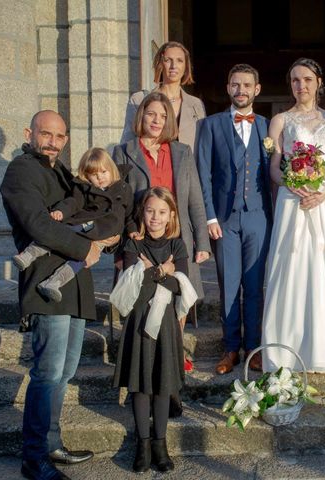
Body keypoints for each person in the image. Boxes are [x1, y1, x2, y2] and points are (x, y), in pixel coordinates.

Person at [0, 111, 119, 480]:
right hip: (44, 281)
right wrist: (85, 248)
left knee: (64, 371)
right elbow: (35, 224)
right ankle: (33, 457)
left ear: (66, 139)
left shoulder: (64, 172)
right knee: (48, 372)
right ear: (29, 133)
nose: (52, 141)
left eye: (59, 135)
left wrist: (108, 237)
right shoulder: (21, 171)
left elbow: (88, 208)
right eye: (45, 134)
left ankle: (52, 444)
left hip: (74, 285)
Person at [261, 58, 325, 372]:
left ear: (318, 82)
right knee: (293, 265)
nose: (302, 86)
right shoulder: (280, 120)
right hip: (293, 200)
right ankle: (286, 350)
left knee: (324, 268)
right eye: (296, 80)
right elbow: (274, 167)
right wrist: (293, 183)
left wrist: (324, 191)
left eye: (308, 79)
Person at [114, 91, 211, 372]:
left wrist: (202, 241)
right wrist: (120, 248)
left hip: (177, 237)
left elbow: (194, 197)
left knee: (177, 294)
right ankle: (142, 355)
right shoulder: (123, 152)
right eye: (151, 113)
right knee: (140, 295)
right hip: (139, 236)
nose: (157, 120)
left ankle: (173, 351)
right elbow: (117, 203)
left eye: (163, 115)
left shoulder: (181, 151)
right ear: (141, 115)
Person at [196, 64, 272, 374]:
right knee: (229, 284)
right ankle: (230, 349)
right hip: (224, 219)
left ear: (257, 90)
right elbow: (203, 173)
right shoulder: (210, 125)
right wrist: (209, 216)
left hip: (259, 215)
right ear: (228, 88)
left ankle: (254, 348)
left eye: (246, 85)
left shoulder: (269, 127)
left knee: (254, 285)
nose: (240, 90)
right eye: (235, 84)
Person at [113, 187, 189, 473]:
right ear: (142, 213)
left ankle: (161, 443)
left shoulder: (177, 246)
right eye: (150, 211)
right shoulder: (133, 245)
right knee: (141, 385)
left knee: (162, 384)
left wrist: (153, 272)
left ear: (171, 215)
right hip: (139, 322)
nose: (155, 217)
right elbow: (135, 287)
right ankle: (142, 444)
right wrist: (163, 271)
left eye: (161, 212)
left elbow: (179, 286)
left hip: (166, 325)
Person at [13, 147, 134, 302]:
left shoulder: (124, 188)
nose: (100, 177)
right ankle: (29, 254)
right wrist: (61, 211)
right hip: (88, 224)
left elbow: (130, 214)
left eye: (104, 172)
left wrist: (132, 230)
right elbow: (73, 202)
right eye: (94, 175)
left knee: (81, 262)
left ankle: (54, 283)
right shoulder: (86, 189)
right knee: (62, 233)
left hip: (103, 237)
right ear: (87, 176)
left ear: (111, 169)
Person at [120, 41, 205, 152]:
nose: (174, 66)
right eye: (168, 60)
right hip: (150, 166)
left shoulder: (196, 105)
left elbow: (203, 148)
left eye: (179, 61)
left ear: (186, 66)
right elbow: (127, 143)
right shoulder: (139, 99)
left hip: (186, 168)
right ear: (160, 63)